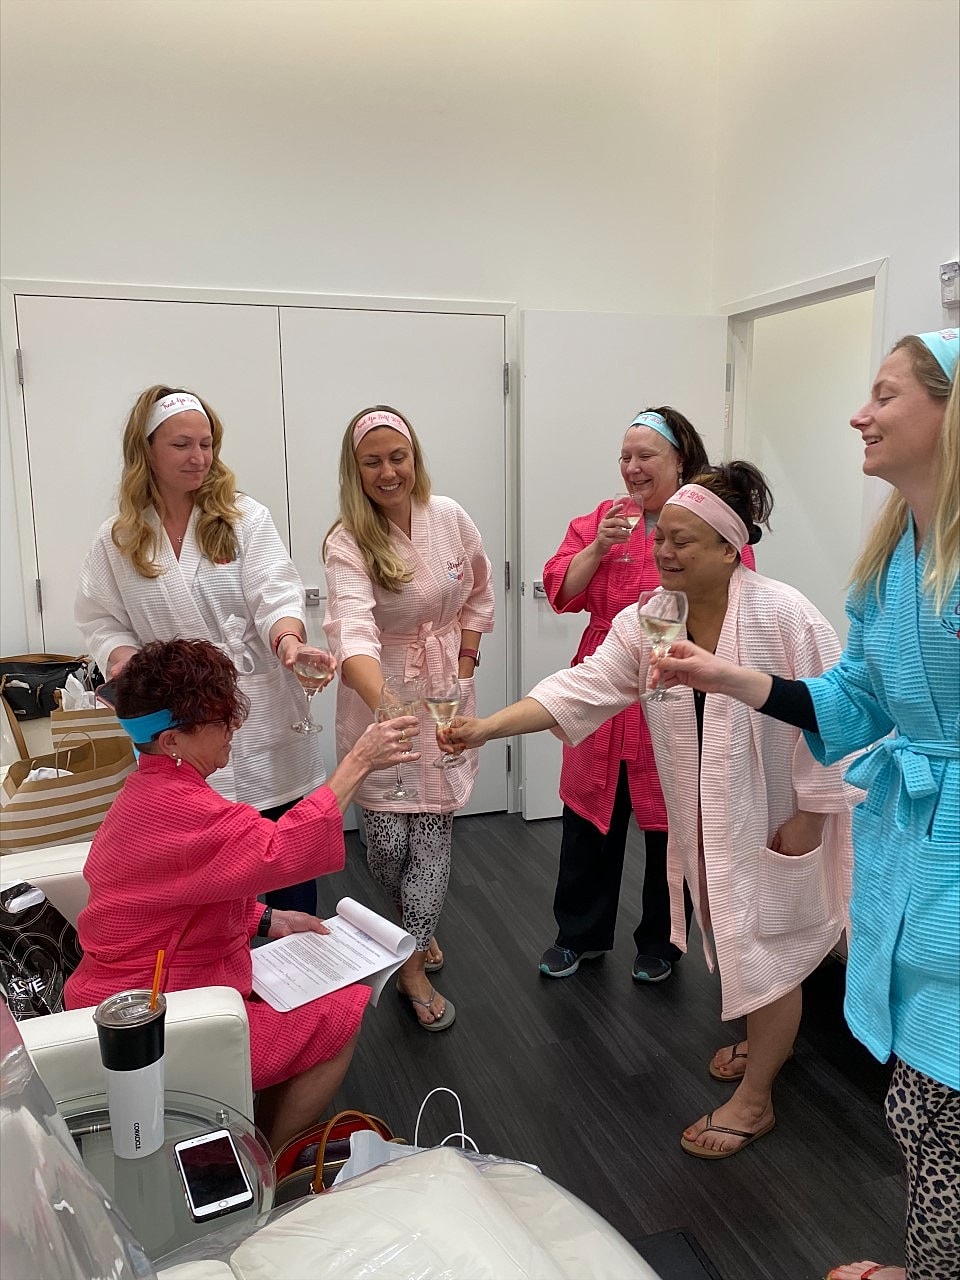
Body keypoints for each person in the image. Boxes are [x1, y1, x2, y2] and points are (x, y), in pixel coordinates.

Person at [655, 332, 959, 1280]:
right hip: (917, 845)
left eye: (884, 394)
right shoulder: (893, 557)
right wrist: (733, 678)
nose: (859, 414)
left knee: (936, 1101)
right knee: (918, 1103)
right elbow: (855, 697)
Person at [446, 461, 856, 1156]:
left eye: (684, 541)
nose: (664, 551)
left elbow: (837, 719)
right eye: (662, 536)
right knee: (733, 933)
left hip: (780, 814)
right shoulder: (653, 620)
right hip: (710, 815)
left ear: (731, 548)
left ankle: (756, 1098)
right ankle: (764, 1042)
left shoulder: (784, 614)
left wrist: (811, 815)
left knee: (771, 950)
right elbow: (586, 687)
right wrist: (485, 727)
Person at [65, 638, 419, 1152]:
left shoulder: (150, 792)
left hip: (135, 989)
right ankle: (272, 1159)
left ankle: (252, 1130)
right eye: (218, 720)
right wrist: (358, 761)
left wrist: (266, 920)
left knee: (308, 996)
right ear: (172, 741)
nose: (233, 729)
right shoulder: (180, 807)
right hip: (157, 1018)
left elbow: (177, 894)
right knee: (344, 1011)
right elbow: (279, 847)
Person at [75, 385, 325, 916]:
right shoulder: (118, 538)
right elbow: (101, 617)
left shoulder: (243, 518)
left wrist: (289, 642)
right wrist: (124, 661)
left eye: (207, 444)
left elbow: (274, 592)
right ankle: (225, 977)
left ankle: (301, 979)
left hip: (256, 707)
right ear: (146, 452)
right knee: (207, 867)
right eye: (181, 445)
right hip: (178, 723)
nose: (199, 458)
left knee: (282, 849)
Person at [540, 406, 755, 982]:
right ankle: (578, 934)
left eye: (646, 457)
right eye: (625, 457)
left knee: (674, 820)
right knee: (590, 818)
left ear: (679, 460)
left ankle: (663, 942)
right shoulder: (601, 520)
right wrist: (597, 550)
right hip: (606, 682)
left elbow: (737, 597)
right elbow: (560, 591)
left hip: (678, 687)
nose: (632, 469)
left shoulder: (710, 518)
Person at [322, 406, 495, 1031]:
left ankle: (413, 958)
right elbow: (355, 632)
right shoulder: (348, 540)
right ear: (355, 469)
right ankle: (415, 929)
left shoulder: (449, 517)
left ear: (415, 457)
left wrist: (469, 658)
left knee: (431, 831)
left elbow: (478, 589)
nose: (389, 471)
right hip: (382, 693)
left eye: (399, 457)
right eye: (374, 461)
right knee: (387, 841)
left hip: (446, 686)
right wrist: (391, 707)